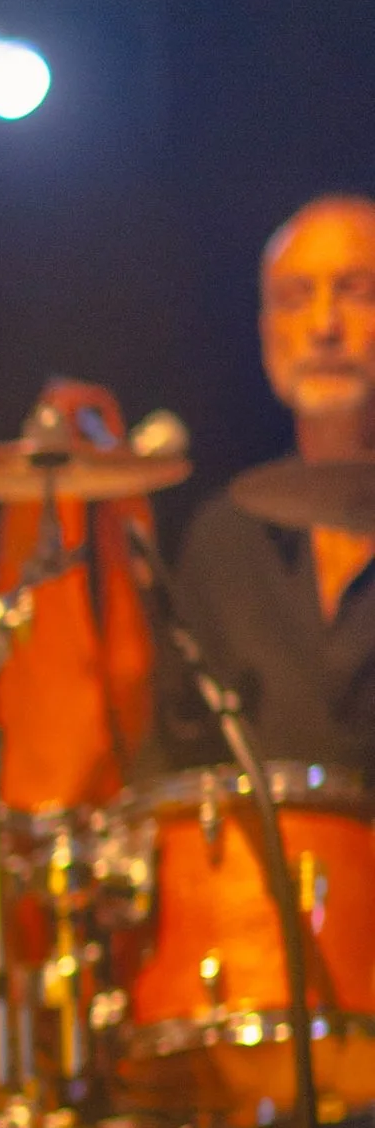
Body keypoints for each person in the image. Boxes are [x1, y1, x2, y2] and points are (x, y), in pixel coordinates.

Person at [163, 195, 375, 768]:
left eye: (354, 291)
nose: (325, 326)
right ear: (265, 334)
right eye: (295, 299)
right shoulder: (224, 540)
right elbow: (176, 770)